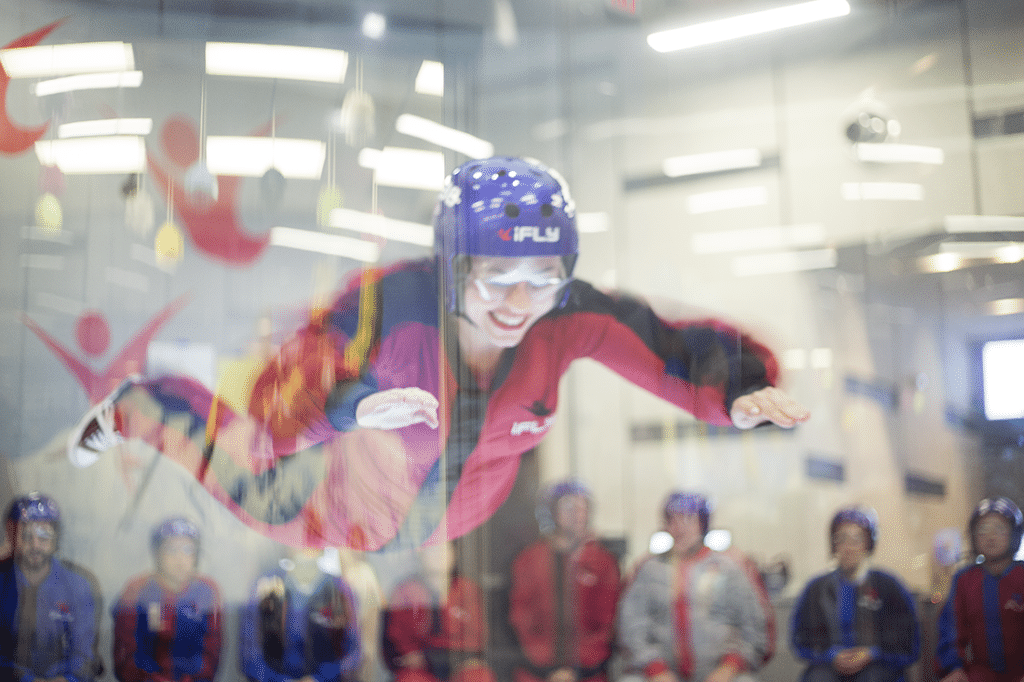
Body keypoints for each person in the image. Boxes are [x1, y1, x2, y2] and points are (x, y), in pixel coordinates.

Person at [67, 155, 810, 551]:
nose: (519, 306)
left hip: (443, 526)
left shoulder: (567, 319)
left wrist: (739, 385)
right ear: (454, 267)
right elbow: (274, 415)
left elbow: (669, 345)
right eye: (496, 281)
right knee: (224, 453)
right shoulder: (391, 306)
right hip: (326, 506)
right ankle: (146, 401)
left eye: (543, 281)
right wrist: (351, 406)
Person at [617, 492, 774, 682]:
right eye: (672, 521)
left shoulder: (729, 569)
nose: (679, 529)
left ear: (703, 524)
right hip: (659, 674)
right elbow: (632, 626)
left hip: (722, 672)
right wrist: (655, 669)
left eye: (688, 520)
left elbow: (753, 626)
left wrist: (730, 667)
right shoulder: (649, 570)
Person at [790, 506, 920, 682]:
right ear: (833, 545)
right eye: (841, 539)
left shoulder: (889, 586)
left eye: (856, 539)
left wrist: (871, 653)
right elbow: (800, 638)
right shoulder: (816, 589)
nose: (848, 547)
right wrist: (832, 655)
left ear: (868, 544)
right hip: (828, 667)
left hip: (878, 666)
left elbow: (908, 641)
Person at [509, 479, 620, 682]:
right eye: (568, 507)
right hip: (536, 672)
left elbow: (607, 625)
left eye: (582, 507)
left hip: (589, 673)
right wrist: (548, 669)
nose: (576, 514)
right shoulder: (529, 560)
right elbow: (519, 619)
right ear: (552, 511)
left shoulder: (602, 562)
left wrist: (577, 670)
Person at [0, 492, 101, 682]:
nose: (35, 544)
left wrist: (69, 679)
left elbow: (85, 654)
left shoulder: (77, 586)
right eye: (26, 534)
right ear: (12, 536)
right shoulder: (3, 582)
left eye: (44, 535)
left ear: (56, 539)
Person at [112, 517, 222, 682]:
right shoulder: (136, 590)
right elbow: (125, 653)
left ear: (196, 555)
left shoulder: (207, 592)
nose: (180, 558)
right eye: (170, 549)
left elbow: (211, 653)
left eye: (187, 549)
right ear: (157, 553)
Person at [935, 497, 1024, 682]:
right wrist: (954, 668)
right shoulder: (965, 580)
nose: (990, 536)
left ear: (1014, 534)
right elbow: (951, 629)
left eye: (999, 529)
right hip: (981, 675)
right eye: (982, 530)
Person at [241, 548, 361, 682]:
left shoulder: (339, 588)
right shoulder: (265, 586)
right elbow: (250, 656)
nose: (306, 545)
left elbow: (353, 653)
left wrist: (319, 679)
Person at [382, 542, 496, 682]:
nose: (439, 555)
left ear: (453, 554)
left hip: (461, 663)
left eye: (444, 549)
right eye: (432, 550)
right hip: (419, 668)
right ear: (420, 555)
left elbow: (478, 636)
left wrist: (462, 657)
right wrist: (416, 656)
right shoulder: (405, 591)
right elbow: (397, 638)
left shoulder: (467, 589)